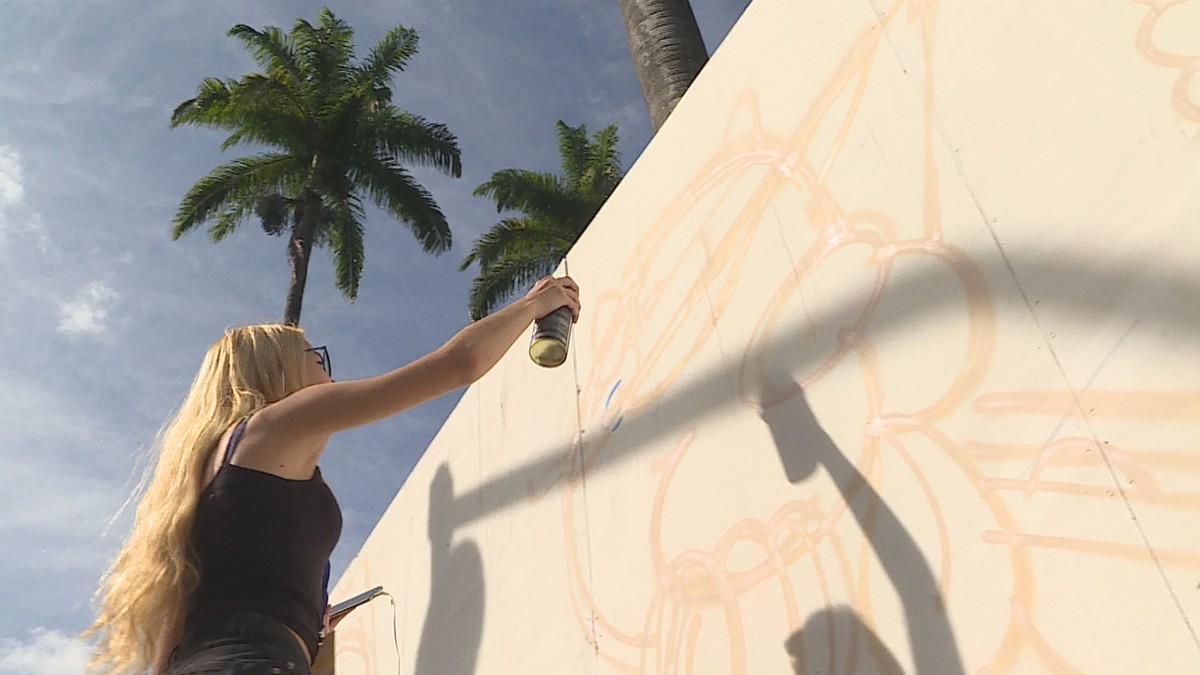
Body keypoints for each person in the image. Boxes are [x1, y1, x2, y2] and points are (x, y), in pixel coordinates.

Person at [85, 276, 581, 675]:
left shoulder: (208, 472)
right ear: (277, 371)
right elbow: (458, 365)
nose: (326, 369)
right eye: (314, 356)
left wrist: (303, 618)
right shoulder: (276, 424)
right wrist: (533, 307)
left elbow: (179, 620)